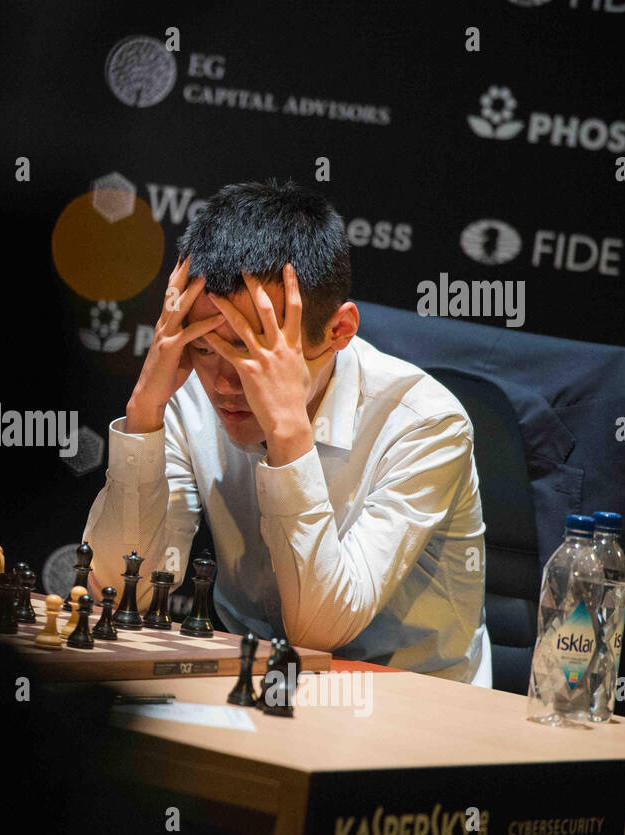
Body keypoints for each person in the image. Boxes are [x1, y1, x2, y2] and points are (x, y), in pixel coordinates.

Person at [82, 180, 490, 684]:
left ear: (339, 332)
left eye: (256, 353)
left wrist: (288, 437)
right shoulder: (187, 391)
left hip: (413, 699)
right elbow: (121, 591)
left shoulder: (425, 423)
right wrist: (144, 413)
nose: (226, 384)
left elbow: (318, 631)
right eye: (205, 349)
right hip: (246, 677)